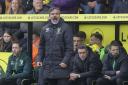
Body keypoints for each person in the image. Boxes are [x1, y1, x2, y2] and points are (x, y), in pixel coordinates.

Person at [37, 7, 73, 85]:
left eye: (57, 14)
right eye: (52, 14)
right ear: (49, 16)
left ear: (60, 15)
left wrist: (65, 61)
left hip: (62, 65)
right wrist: (39, 59)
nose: (54, 15)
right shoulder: (44, 28)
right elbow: (41, 46)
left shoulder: (66, 28)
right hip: (48, 66)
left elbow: (69, 48)